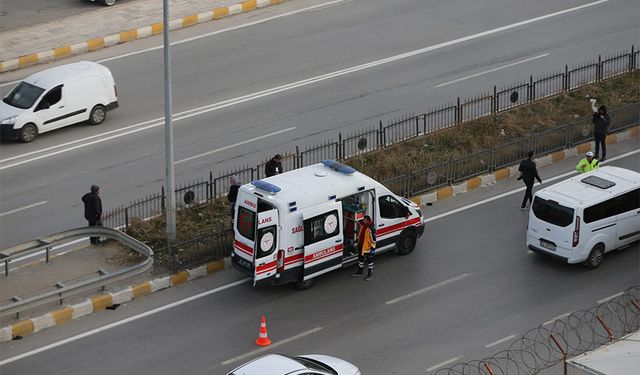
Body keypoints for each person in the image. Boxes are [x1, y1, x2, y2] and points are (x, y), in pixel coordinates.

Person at [351, 215, 376, 281]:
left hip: (368, 248)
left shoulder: (371, 229)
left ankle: (370, 274)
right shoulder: (363, 226)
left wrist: (373, 250)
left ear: (368, 220)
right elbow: (360, 234)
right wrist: (356, 241)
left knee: (369, 261)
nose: (363, 221)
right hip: (362, 246)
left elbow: (373, 240)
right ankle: (360, 271)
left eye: (364, 220)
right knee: (360, 259)